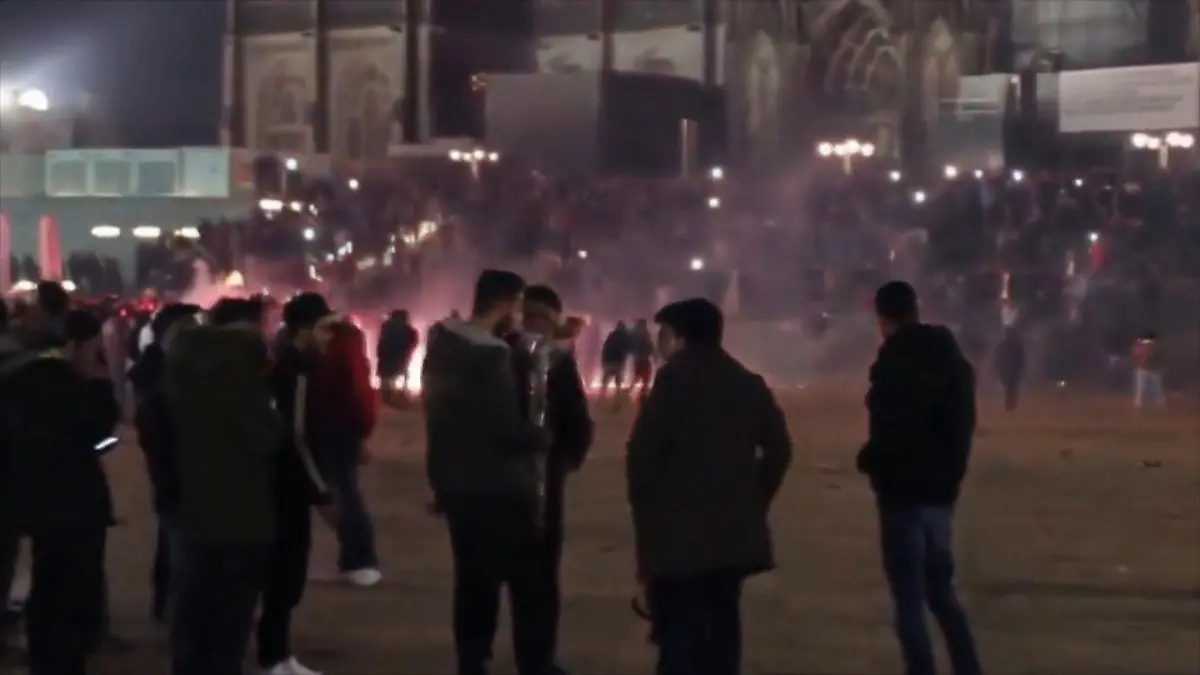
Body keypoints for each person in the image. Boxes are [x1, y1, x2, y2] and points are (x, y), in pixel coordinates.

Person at [626, 298, 792, 675]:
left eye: (664, 335)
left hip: (677, 537)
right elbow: (780, 450)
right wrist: (754, 497)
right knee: (722, 631)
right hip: (732, 536)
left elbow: (641, 464)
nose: (660, 344)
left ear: (681, 337)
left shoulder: (671, 383)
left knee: (680, 638)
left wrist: (648, 531)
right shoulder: (747, 382)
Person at [422, 269, 550, 675]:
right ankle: (530, 662)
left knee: (473, 580)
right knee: (525, 580)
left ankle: (472, 661)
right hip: (498, 487)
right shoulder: (490, 355)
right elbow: (502, 427)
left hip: (456, 483)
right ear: (503, 304)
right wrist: (540, 436)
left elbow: (442, 419)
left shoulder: (443, 343)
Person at [856, 281, 981, 675]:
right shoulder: (950, 359)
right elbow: (961, 425)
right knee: (941, 593)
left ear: (881, 317)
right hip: (941, 493)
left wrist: (871, 461)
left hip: (902, 494)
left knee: (908, 603)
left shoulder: (894, 363)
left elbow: (891, 431)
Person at [166, 297, 282, 675]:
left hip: (188, 513)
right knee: (230, 622)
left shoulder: (181, 376)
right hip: (241, 518)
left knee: (191, 616)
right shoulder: (244, 387)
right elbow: (266, 439)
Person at [0, 308, 119, 675]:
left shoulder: (18, 376)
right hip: (74, 503)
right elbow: (100, 438)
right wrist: (101, 381)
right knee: (70, 594)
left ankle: (42, 659)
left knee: (45, 588)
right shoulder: (69, 382)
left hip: (31, 500)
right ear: (76, 344)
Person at [510, 286, 594, 673]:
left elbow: (578, 424)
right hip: (504, 483)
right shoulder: (504, 357)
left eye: (540, 319)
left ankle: (538, 657)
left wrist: (561, 463)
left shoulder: (558, 365)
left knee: (541, 579)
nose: (532, 326)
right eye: (528, 317)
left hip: (544, 485)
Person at [259, 293, 340, 675]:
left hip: (283, 484)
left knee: (284, 573)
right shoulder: (296, 369)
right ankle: (274, 657)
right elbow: (297, 436)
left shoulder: (290, 363)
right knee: (284, 574)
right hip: (286, 488)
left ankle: (277, 653)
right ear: (304, 329)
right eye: (325, 329)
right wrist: (321, 492)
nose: (330, 338)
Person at [128, 303, 202, 623]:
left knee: (172, 538)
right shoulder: (160, 370)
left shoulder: (160, 365)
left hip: (172, 466)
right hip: (173, 467)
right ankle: (172, 606)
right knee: (177, 540)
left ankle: (168, 604)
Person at [301, 295, 380, 587]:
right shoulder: (342, 341)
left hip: (336, 430)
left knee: (343, 494)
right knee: (339, 493)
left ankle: (361, 560)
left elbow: (356, 392)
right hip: (332, 429)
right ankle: (355, 558)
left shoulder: (339, 343)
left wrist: (359, 432)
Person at [377, 309, 419, 405]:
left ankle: (387, 394)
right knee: (399, 373)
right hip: (400, 358)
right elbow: (414, 341)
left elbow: (382, 342)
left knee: (387, 375)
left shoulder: (386, 327)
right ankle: (400, 393)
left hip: (389, 358)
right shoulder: (408, 330)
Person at [993, 327, 1025, 412]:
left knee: (1011, 388)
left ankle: (1011, 404)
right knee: (1010, 388)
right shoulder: (1012, 344)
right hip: (1008, 370)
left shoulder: (1013, 345)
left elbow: (1020, 358)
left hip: (1012, 370)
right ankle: (1010, 404)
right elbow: (998, 357)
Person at [1132, 330, 1164, 409]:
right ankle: (1157, 407)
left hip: (1145, 369)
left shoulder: (1140, 345)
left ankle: (1140, 407)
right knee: (1156, 391)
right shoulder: (1155, 346)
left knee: (1142, 390)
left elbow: (1136, 356)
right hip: (1150, 370)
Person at [599, 321, 631, 400]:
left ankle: (603, 393)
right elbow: (627, 348)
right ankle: (617, 394)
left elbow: (605, 347)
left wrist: (604, 359)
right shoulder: (624, 336)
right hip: (618, 360)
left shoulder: (612, 335)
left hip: (610, 359)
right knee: (617, 378)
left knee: (606, 378)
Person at [628, 318, 655, 402]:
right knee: (645, 378)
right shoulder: (646, 334)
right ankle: (642, 396)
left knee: (637, 377)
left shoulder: (635, 334)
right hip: (644, 359)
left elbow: (632, 347)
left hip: (638, 358)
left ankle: (630, 392)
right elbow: (650, 347)